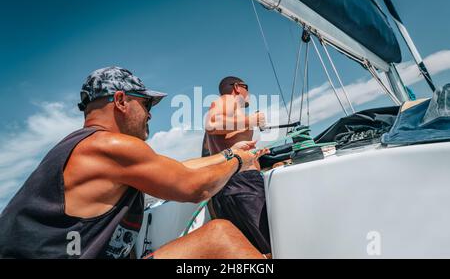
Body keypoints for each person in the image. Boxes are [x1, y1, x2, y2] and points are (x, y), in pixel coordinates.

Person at [0, 67, 267, 259]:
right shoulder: (108, 146)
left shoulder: (86, 147)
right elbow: (195, 188)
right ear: (120, 101)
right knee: (220, 237)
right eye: (147, 103)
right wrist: (237, 161)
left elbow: (177, 169)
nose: (150, 113)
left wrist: (227, 154)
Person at [204, 76, 272, 254]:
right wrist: (251, 121)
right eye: (246, 87)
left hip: (226, 186)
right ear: (237, 88)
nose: (249, 92)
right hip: (244, 185)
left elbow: (218, 149)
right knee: (269, 246)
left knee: (246, 251)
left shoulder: (231, 111)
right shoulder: (228, 100)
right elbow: (211, 124)